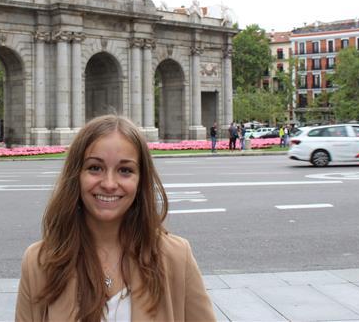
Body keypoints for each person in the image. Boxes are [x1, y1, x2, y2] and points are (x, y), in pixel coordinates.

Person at [16, 115, 215, 321]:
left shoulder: (176, 257)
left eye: (125, 170)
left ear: (140, 181)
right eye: (95, 167)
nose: (109, 184)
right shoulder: (39, 262)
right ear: (76, 175)